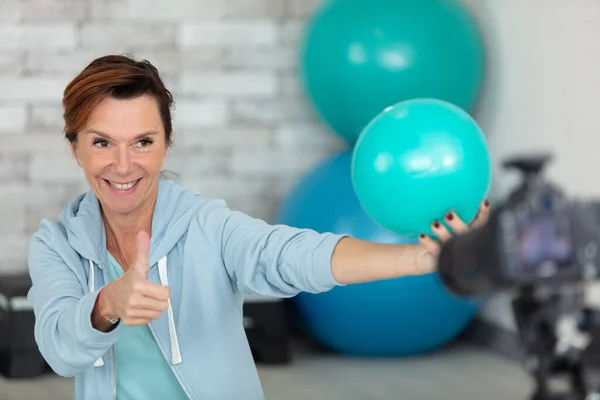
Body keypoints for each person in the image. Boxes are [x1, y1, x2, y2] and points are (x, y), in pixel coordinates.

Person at [26, 54, 490, 400]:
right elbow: (59, 350)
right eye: (102, 142)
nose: (123, 165)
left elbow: (291, 254)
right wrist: (108, 302)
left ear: (166, 145)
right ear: (76, 149)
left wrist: (420, 257)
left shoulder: (206, 226)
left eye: (143, 142)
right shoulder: (57, 244)